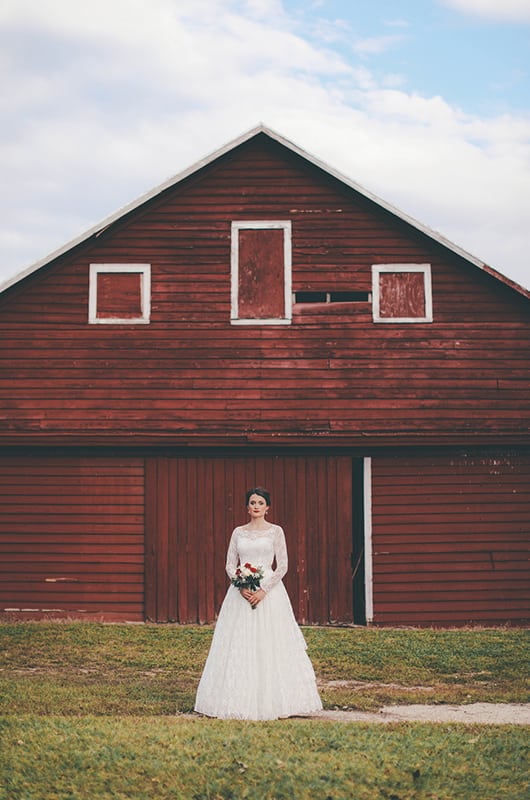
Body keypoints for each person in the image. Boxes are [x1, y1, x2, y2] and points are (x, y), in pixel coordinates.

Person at [194, 486, 322, 720]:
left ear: (267, 508)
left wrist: (264, 590)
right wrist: (240, 584)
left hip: (269, 592)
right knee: (239, 641)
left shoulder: (276, 532)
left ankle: (276, 701)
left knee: (270, 641)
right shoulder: (238, 532)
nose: (256, 506)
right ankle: (236, 698)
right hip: (241, 593)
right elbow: (230, 564)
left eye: (260, 503)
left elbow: (282, 565)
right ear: (247, 507)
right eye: (252, 502)